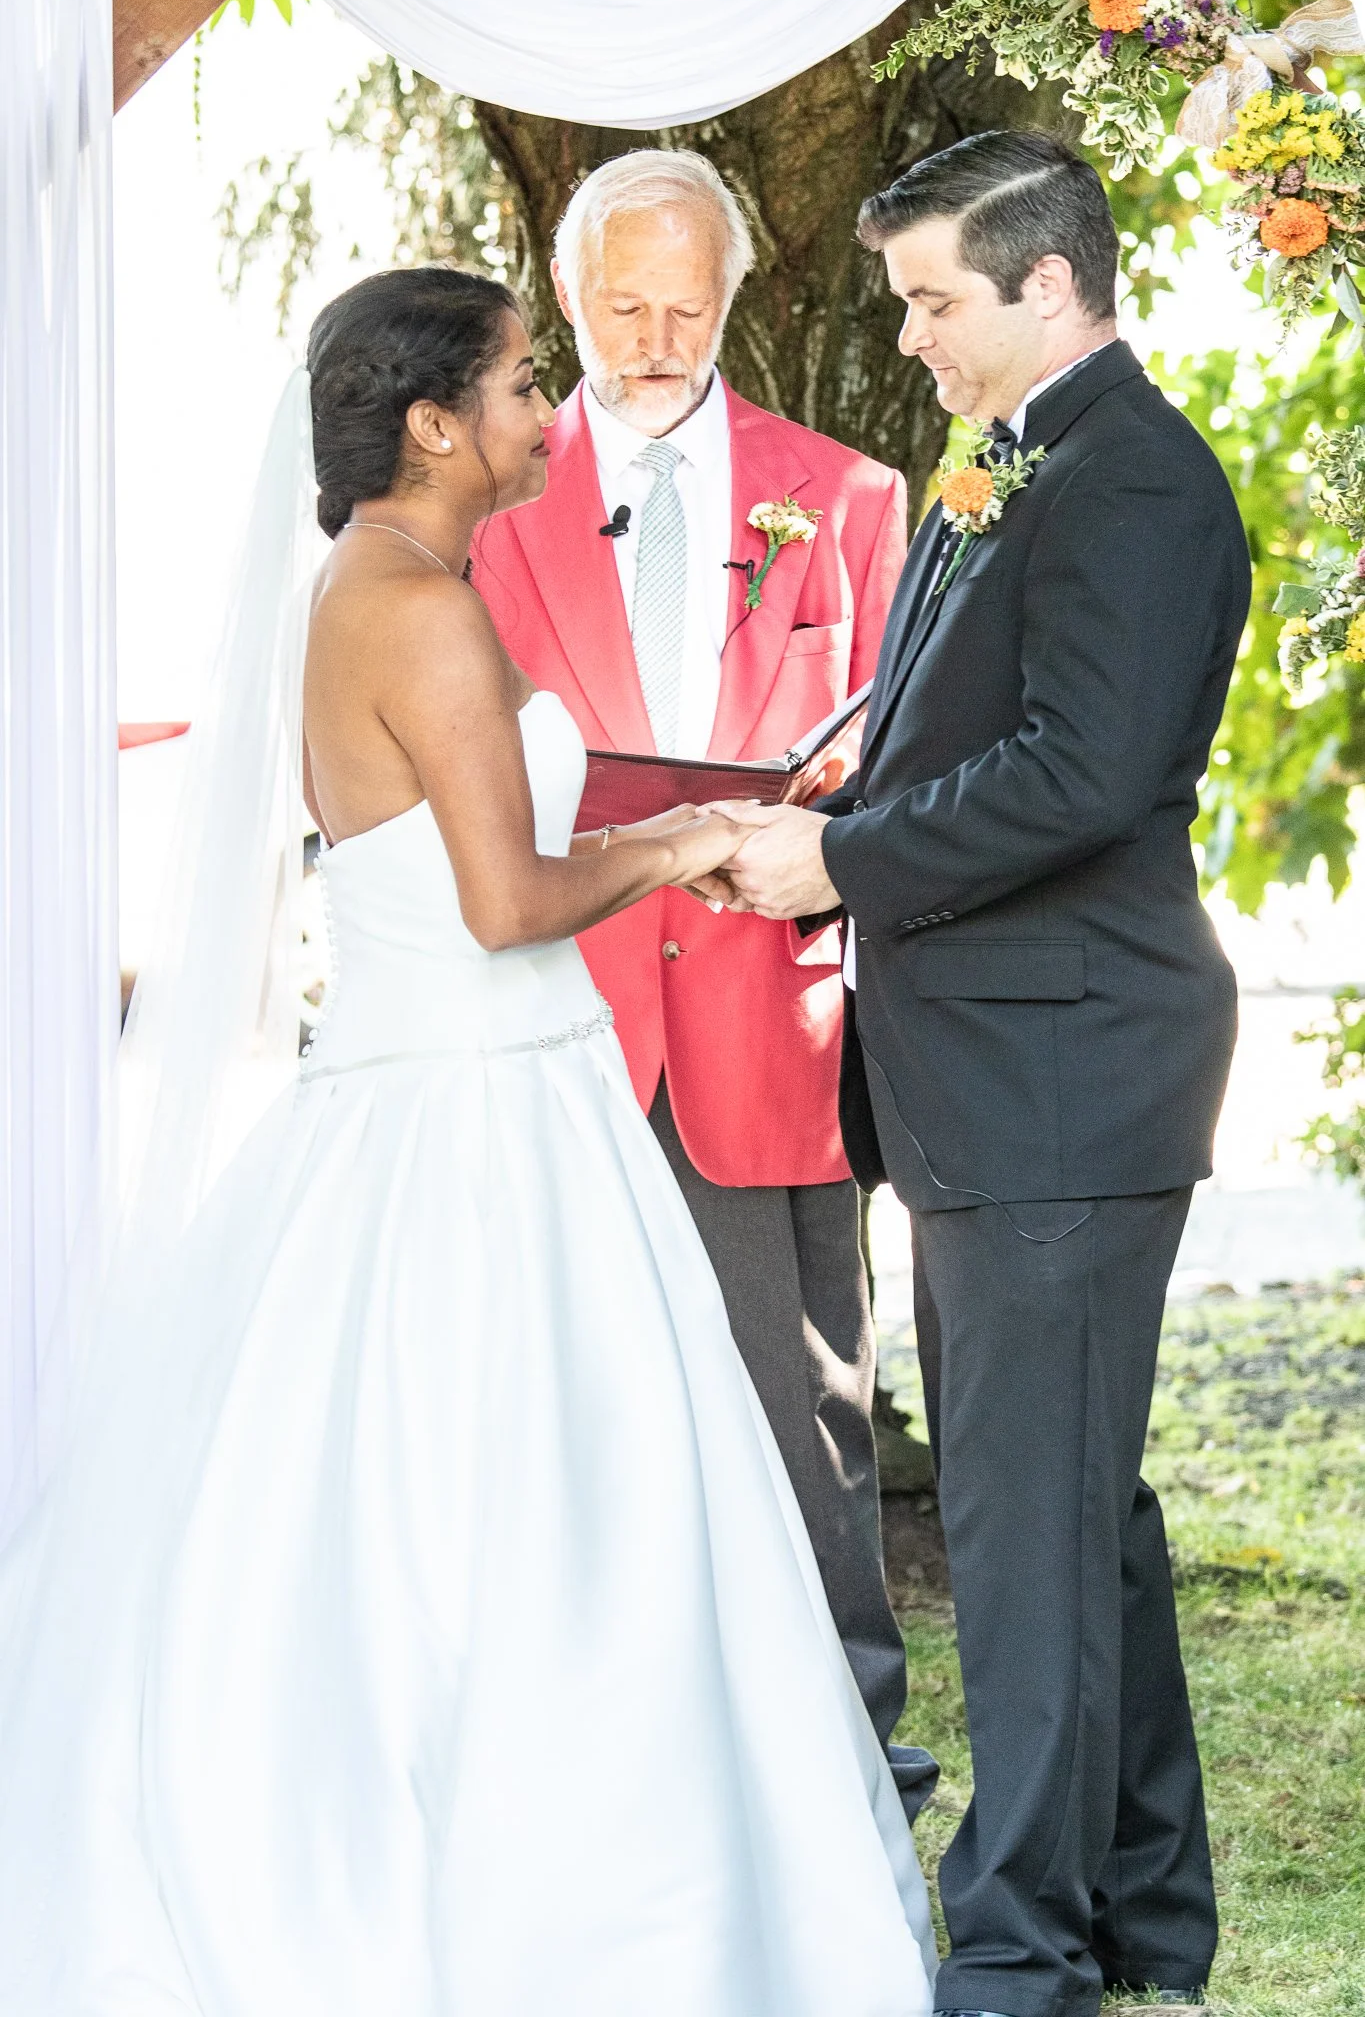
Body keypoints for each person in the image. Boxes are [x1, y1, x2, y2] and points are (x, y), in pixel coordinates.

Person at [0, 267, 938, 2014]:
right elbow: (507, 900)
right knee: (530, 1507)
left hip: (467, 1081)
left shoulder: (381, 580)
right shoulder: (414, 606)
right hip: (477, 1105)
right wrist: (689, 843)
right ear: (433, 423)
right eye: (518, 384)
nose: (539, 409)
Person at [714, 132, 1250, 2017]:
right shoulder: (1013, 459)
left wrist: (840, 866)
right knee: (1073, 1513)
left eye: (937, 300)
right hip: (1007, 1076)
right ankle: (1147, 1919)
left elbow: (1089, 775)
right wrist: (849, 786)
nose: (919, 341)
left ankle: (1022, 1962)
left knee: (1028, 1539)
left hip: (1064, 1074)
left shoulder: (1137, 480)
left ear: (1047, 281)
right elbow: (988, 723)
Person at [474, 151, 920, 1784]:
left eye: (688, 305)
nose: (656, 338)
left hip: (764, 1014)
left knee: (801, 1404)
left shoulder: (855, 500)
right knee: (548, 1387)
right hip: (550, 1015)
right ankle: (587, 1746)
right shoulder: (490, 505)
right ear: (568, 286)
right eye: (620, 305)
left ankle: (847, 1750)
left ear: (735, 298)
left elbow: (891, 745)